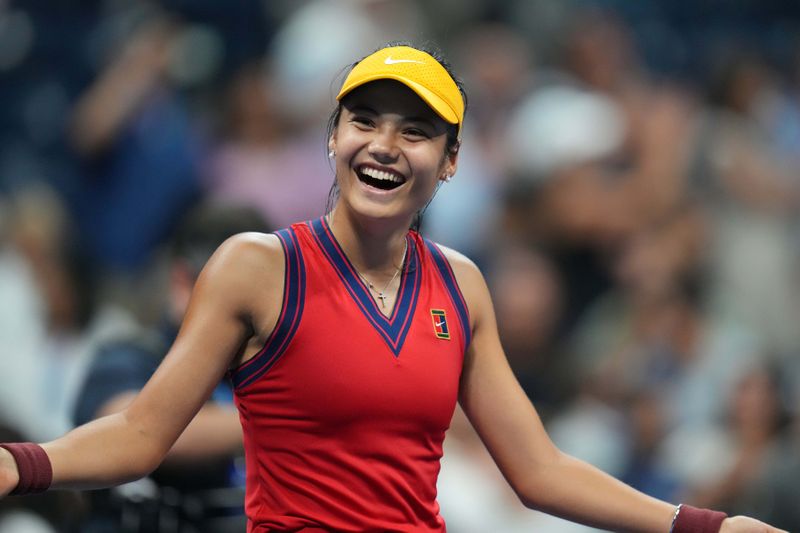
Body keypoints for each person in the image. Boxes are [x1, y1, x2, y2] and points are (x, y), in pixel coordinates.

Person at [0, 42, 787, 533]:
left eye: (415, 130)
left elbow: (540, 470)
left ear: (450, 162)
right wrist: (22, 463)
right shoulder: (255, 264)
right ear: (334, 137)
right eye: (365, 120)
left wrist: (703, 526)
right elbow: (142, 433)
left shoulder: (463, 285)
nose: (384, 145)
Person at [70, 202, 270, 532]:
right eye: (237, 296)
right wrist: (281, 417)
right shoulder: (127, 358)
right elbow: (129, 427)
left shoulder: (265, 367)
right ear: (182, 283)